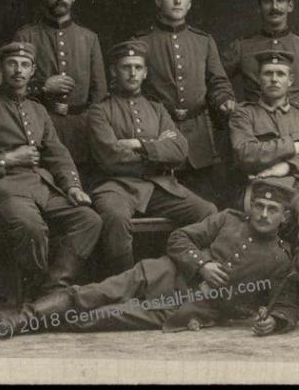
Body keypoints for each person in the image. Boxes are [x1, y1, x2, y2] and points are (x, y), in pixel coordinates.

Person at [0, 179, 299, 338]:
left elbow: (287, 304)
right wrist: (202, 264)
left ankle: (33, 326)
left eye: (272, 209)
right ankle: (20, 319)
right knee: (89, 294)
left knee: (95, 319)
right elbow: (179, 238)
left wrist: (273, 321)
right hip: (157, 274)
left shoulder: (280, 259)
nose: (262, 213)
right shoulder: (227, 219)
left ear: (284, 217)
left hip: (177, 309)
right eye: (259, 205)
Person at [0, 42, 102, 299]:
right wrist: (9, 158)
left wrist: (73, 187)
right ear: (1, 67)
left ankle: (54, 286)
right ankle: (34, 295)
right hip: (0, 189)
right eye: (12, 63)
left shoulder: (37, 110)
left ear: (33, 71)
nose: (18, 70)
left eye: (25, 65)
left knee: (88, 219)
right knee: (31, 227)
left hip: (39, 188)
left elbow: (58, 153)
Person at [87, 40, 218, 278]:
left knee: (208, 212)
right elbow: (110, 157)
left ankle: (188, 278)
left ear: (145, 72)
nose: (132, 73)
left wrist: (139, 145)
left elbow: (180, 150)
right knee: (114, 217)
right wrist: (159, 148)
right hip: (116, 186)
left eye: (138, 67)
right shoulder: (100, 111)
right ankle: (123, 287)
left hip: (159, 186)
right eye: (126, 67)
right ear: (114, 71)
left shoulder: (157, 109)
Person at [228, 49, 299, 323]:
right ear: (258, 79)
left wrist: (287, 166)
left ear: (291, 81)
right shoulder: (244, 114)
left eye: (280, 74)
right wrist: (292, 147)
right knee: (289, 192)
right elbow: (244, 153)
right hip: (266, 189)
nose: (274, 79)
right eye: (268, 73)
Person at [133, 0, 237, 207]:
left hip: (199, 137)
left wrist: (225, 99)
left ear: (189, 3)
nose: (178, 0)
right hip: (159, 134)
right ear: (159, 1)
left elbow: (218, 81)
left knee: (206, 204)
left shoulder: (203, 40)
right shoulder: (142, 41)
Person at [13, 0, 107, 187]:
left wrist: (94, 132)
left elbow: (99, 94)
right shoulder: (26, 36)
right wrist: (43, 86)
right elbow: (11, 88)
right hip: (40, 128)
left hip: (82, 133)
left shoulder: (89, 38)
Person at [223, 0, 299, 119]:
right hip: (255, 123)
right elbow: (217, 79)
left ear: (290, 6)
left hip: (298, 120)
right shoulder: (242, 46)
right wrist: (226, 98)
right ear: (259, 7)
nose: (274, 7)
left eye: (280, 0)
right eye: (268, 1)